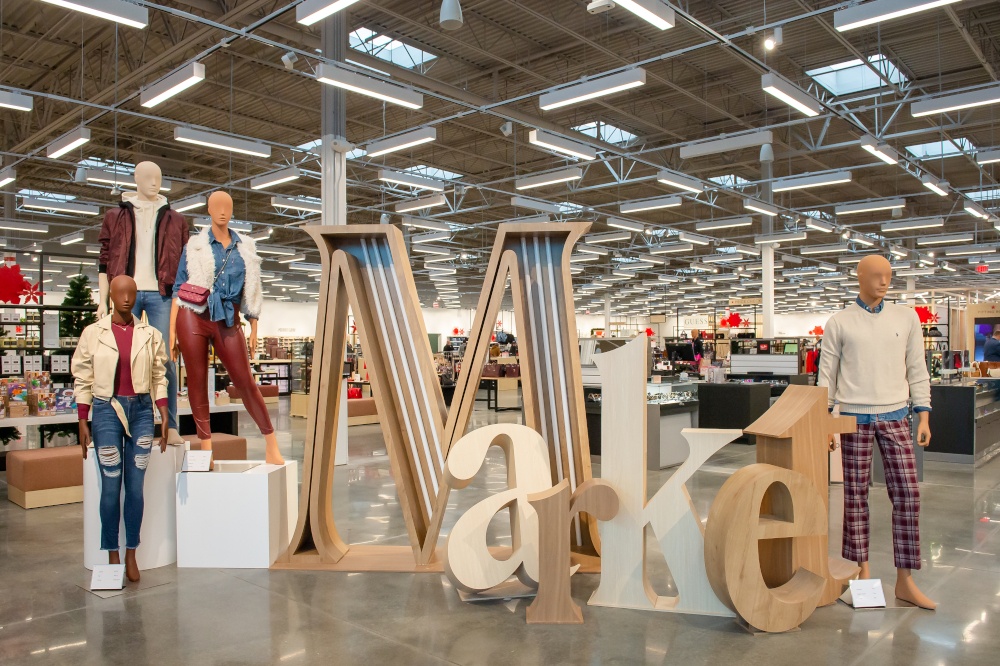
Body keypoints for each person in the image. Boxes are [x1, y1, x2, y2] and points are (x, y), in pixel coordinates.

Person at [819, 254, 935, 610]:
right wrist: (825, 418)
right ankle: (862, 572)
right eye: (876, 276)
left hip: (898, 415)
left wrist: (924, 413)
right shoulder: (839, 322)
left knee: (908, 495)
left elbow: (917, 367)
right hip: (854, 417)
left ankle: (905, 579)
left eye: (888, 275)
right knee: (854, 498)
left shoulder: (906, 317)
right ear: (859, 278)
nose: (883, 282)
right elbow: (827, 374)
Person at [170, 191, 284, 465]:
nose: (222, 211)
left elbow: (252, 290)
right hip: (194, 314)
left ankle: (271, 443)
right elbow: (178, 289)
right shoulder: (194, 246)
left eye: (228, 207)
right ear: (208, 209)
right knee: (196, 382)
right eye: (217, 206)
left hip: (229, 317)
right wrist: (172, 330)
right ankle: (205, 448)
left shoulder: (245, 247)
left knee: (245, 380)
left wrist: (255, 325)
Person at [73, 275, 168, 584]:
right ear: (111, 295)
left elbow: (159, 375)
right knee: (111, 485)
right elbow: (83, 376)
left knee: (136, 486)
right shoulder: (93, 333)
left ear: (137, 295)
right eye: (120, 292)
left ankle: (131, 551)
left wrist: (164, 415)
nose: (126, 298)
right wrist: (82, 419)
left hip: (141, 410)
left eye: (131, 292)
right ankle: (111, 551)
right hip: (105, 410)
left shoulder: (151, 334)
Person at [97, 161, 188, 448]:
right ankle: (112, 424)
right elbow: (103, 259)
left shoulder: (176, 219)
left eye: (159, 177)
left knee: (166, 361)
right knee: (117, 358)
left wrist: (182, 303)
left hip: (164, 294)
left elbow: (184, 265)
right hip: (126, 292)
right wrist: (103, 300)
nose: (153, 181)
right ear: (135, 179)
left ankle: (170, 424)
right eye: (147, 177)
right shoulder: (116, 215)